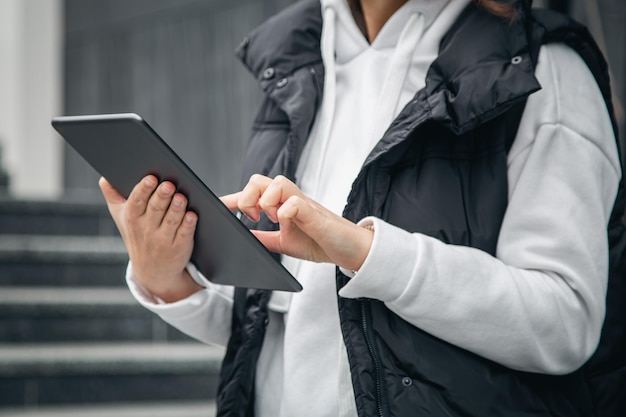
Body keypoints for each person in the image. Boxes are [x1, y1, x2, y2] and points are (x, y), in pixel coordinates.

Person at [99, 0, 626, 416]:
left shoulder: (542, 70)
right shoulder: (295, 62)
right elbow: (277, 324)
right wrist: (165, 277)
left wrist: (365, 252)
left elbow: (567, 322)